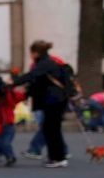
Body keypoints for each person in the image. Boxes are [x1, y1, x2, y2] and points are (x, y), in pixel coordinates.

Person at [13, 40, 73, 168]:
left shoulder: (44, 64)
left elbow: (31, 76)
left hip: (54, 101)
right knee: (50, 128)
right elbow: (37, 82)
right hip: (55, 100)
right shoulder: (47, 62)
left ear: (35, 53)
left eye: (31, 53)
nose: (30, 56)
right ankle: (57, 156)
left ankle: (58, 158)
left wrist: (12, 83)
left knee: (51, 129)